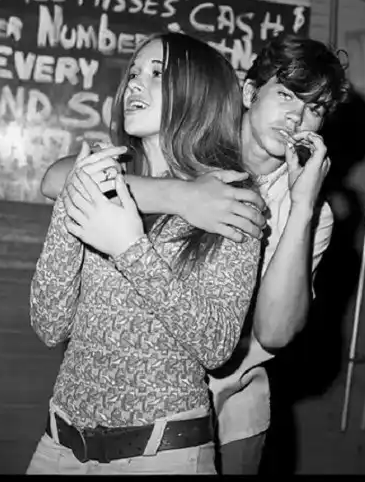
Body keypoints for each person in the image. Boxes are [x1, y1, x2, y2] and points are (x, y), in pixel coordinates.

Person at [41, 34, 351, 474]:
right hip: (113, 408)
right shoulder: (183, 149)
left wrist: (302, 208)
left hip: (227, 410)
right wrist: (182, 196)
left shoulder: (311, 212)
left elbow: (274, 333)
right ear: (249, 93)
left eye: (314, 109)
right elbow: (58, 179)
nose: (297, 117)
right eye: (286, 95)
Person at [26, 32, 262, 475]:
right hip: (60, 448)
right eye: (134, 73)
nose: (134, 83)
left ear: (199, 92)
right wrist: (77, 194)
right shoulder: (106, 178)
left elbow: (216, 345)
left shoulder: (230, 199)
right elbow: (48, 324)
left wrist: (130, 249)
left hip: (162, 455)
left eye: (157, 73)